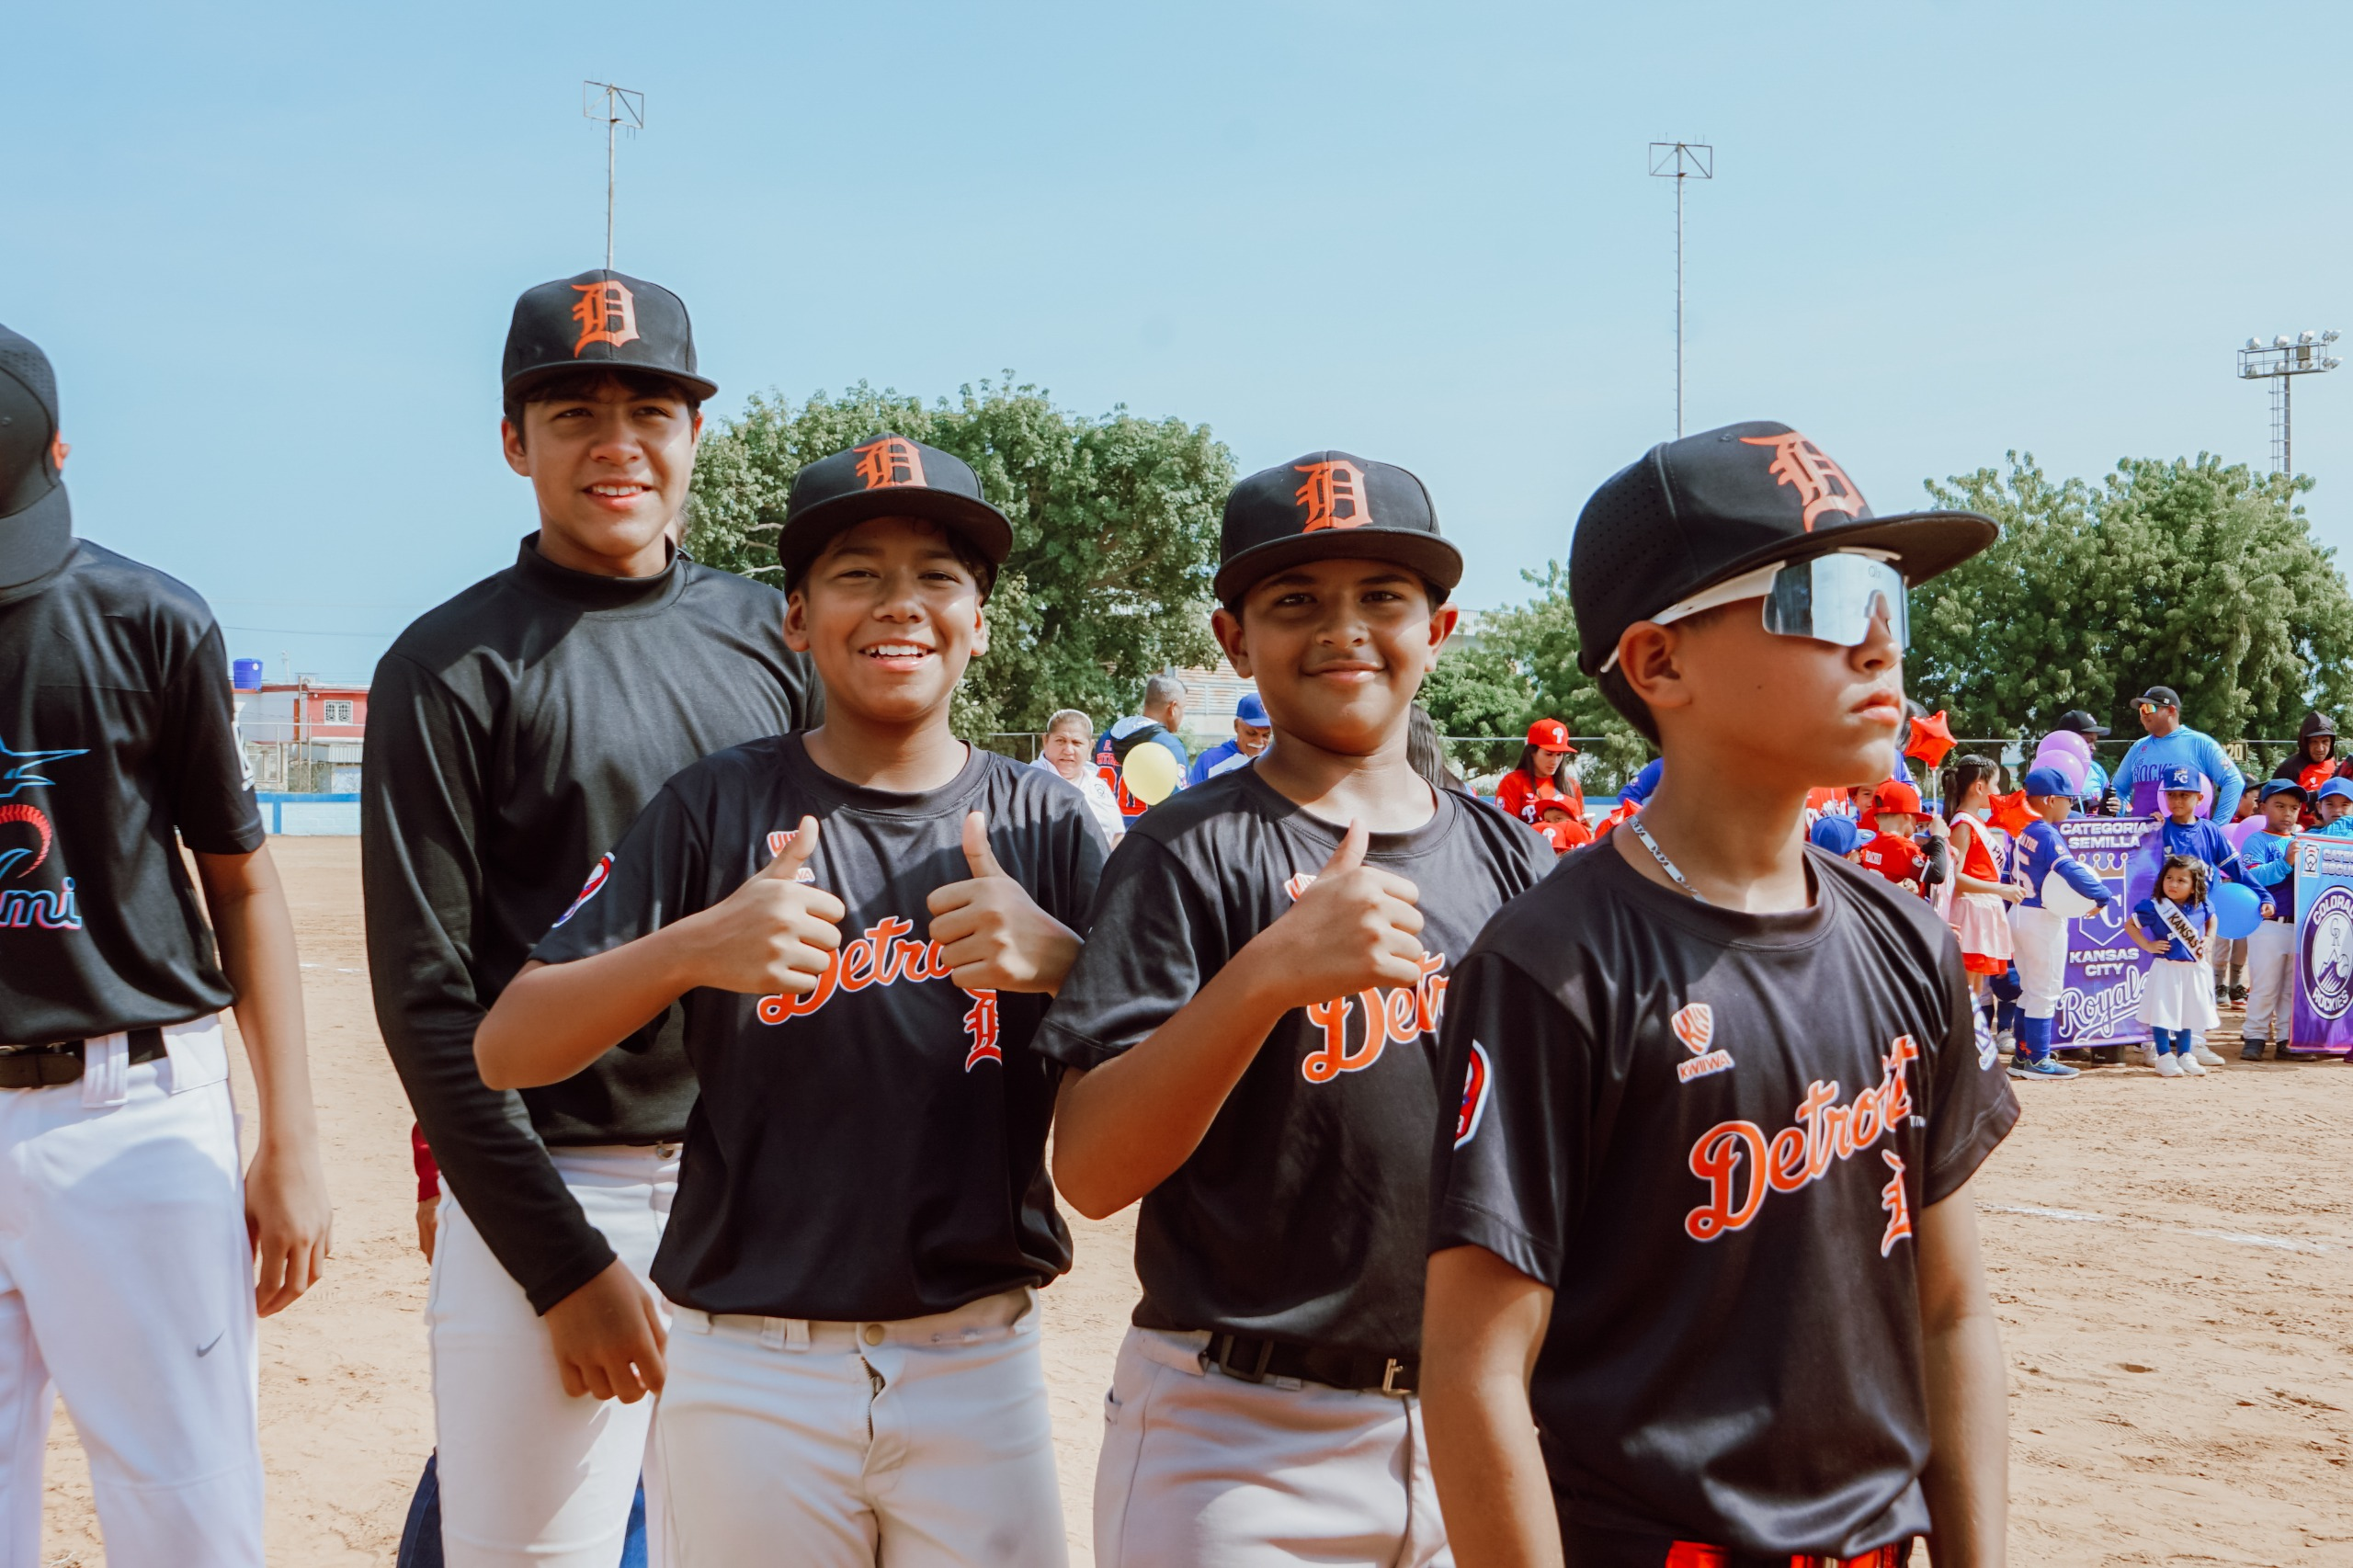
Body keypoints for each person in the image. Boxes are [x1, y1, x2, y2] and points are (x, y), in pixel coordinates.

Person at [477, 433, 1106, 1566]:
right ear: (796, 618)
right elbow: (510, 1044)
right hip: (749, 1359)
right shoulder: (718, 804)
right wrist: (690, 948)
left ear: (982, 619)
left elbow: (1144, 1089)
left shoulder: (1046, 824)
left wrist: (1065, 962)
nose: (899, 604)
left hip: (979, 1354)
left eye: (938, 576)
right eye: (857, 572)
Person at [1420, 420, 2013, 1567]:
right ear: (1658, 662)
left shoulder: (1902, 935)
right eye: (1823, 595)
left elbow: (1950, 1312)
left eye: (1889, 592)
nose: (1880, 640)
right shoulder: (1552, 964)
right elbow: (1475, 1367)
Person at [363, 269, 824, 1567]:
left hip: (765, 1193)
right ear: (515, 440)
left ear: (694, 434)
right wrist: (560, 1265)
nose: (616, 441)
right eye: (572, 411)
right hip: (556, 1181)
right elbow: (427, 1001)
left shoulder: (774, 639)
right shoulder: (448, 666)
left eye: (651, 407)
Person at [1040, 449, 1551, 1568]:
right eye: (1294, 601)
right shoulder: (1186, 849)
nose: (1343, 629)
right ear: (1232, 639)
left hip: (1487, 1409)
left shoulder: (1515, 861)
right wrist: (1267, 973)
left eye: (1383, 596)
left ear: (1442, 627)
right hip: (1240, 1428)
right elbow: (1088, 1167)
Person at [0, 322, 332, 1565]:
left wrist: (291, 1136)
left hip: (128, 1116)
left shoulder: (149, 620)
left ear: (61, 455)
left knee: (186, 1511)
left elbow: (243, 883)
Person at [2006, 766, 2116, 1082]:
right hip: (2040, 915)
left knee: (2030, 989)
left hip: (2020, 911)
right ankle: (2039, 1061)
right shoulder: (2043, 830)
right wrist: (2102, 896)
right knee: (2045, 990)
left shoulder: (2022, 827)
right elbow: (2069, 870)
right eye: (2069, 800)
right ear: (2051, 799)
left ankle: (2023, 1057)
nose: (2072, 806)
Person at [2129, 855, 2218, 1078]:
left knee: (2186, 1012)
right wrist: (2147, 945)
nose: (2173, 884)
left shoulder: (2201, 905)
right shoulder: (2153, 907)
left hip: (2191, 969)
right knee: (2163, 1013)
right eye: (2169, 878)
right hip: (2167, 968)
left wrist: (2210, 937)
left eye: (2181, 880)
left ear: (2194, 885)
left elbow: (2212, 918)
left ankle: (2185, 1054)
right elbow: (2130, 925)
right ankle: (2165, 1056)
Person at [2236, 780, 2304, 1062]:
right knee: (2264, 985)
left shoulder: (2304, 841)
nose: (2287, 813)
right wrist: (2284, 863)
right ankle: (2255, 1036)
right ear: (2262, 807)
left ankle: (2287, 1039)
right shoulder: (2257, 839)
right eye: (2279, 806)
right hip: (2268, 924)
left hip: (2299, 924)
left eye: (2294, 808)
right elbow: (2253, 877)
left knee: (2291, 988)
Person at [1943, 754, 2022, 994]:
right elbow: (1955, 879)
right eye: (1995, 784)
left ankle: (1976, 1032)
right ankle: (1967, 1032)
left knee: (1975, 991)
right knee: (1967, 992)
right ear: (1979, 787)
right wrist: (2001, 889)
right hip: (1970, 912)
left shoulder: (1974, 822)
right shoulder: (1963, 824)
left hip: (1981, 910)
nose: (1998, 791)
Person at [2113, 685, 2244, 820]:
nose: (2144, 715)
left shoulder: (2200, 743)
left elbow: (2233, 781)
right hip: (2143, 838)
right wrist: (2118, 816)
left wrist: (2217, 827)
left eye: (2148, 708)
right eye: (2141, 710)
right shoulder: (2138, 748)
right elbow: (2118, 789)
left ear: (2171, 710)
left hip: (2188, 839)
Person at [1099, 673, 1192, 820]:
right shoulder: (1169, 746)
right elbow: (1178, 806)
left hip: (1106, 832)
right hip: (1145, 836)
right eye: (1183, 708)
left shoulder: (1107, 737)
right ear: (1172, 707)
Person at [1037, 708, 1126, 846]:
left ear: (1090, 748)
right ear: (1045, 741)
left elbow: (1117, 836)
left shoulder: (1099, 788)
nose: (1068, 750)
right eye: (1060, 741)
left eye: (1076, 743)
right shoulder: (1029, 784)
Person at [1852, 779, 1950, 897]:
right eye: (1916, 819)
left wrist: (1934, 845)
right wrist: (1938, 836)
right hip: (1901, 912)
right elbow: (1937, 873)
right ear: (1906, 817)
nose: (1915, 825)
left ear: (1876, 819)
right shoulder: (1903, 847)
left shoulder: (1870, 844)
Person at [1493, 717, 1584, 825]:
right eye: (1548, 754)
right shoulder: (1513, 782)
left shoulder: (1572, 785)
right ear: (1532, 752)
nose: (1554, 761)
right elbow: (1504, 827)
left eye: (1559, 754)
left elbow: (1580, 829)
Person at [1186, 691, 1271, 784]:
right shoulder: (1210, 761)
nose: (1259, 741)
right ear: (1236, 726)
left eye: (1266, 735)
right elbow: (1195, 797)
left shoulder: (1276, 762)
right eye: (1251, 733)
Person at [2053, 708, 2120, 813]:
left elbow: (2106, 807)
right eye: (2087, 741)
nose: (2093, 747)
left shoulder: (2096, 769)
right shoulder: (2050, 771)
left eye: (2094, 742)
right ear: (2068, 739)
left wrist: (2113, 806)